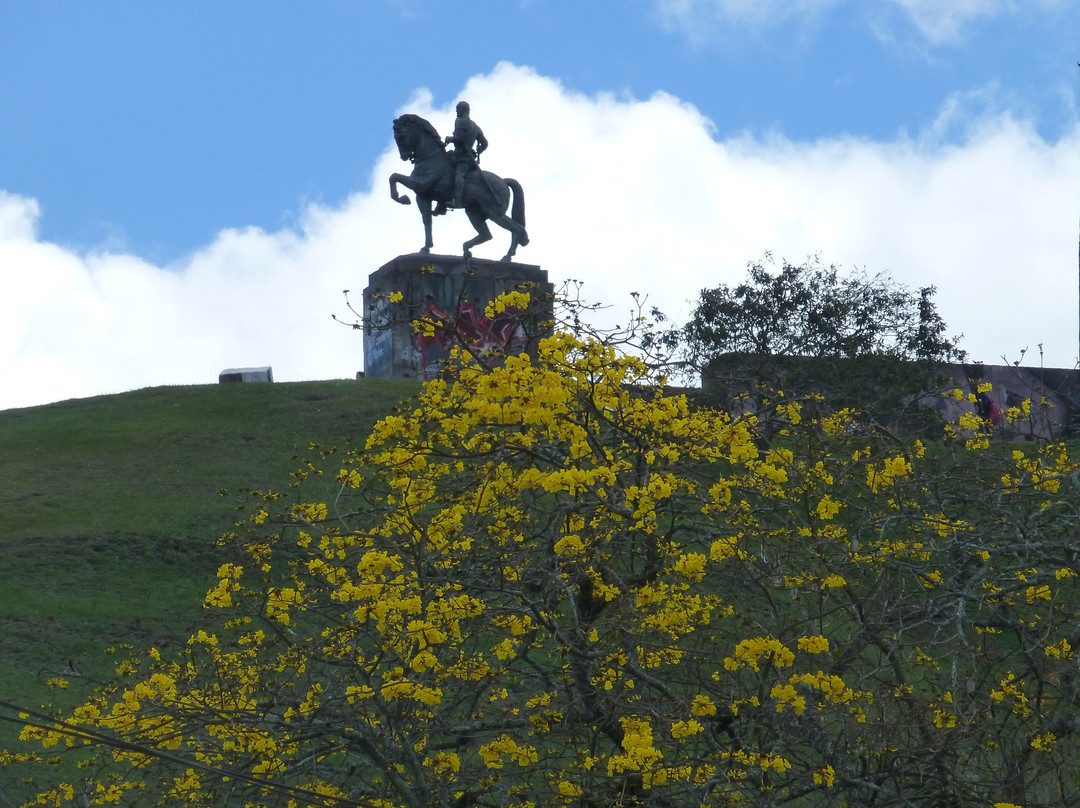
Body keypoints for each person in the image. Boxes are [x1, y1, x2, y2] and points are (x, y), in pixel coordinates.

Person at [444, 101, 488, 208]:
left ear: (463, 110)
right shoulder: (475, 126)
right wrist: (479, 151)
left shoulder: (460, 121)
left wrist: (449, 139)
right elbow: (485, 143)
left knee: (459, 175)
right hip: (468, 157)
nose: (456, 111)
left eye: (458, 109)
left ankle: (457, 201)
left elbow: (460, 138)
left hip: (462, 157)